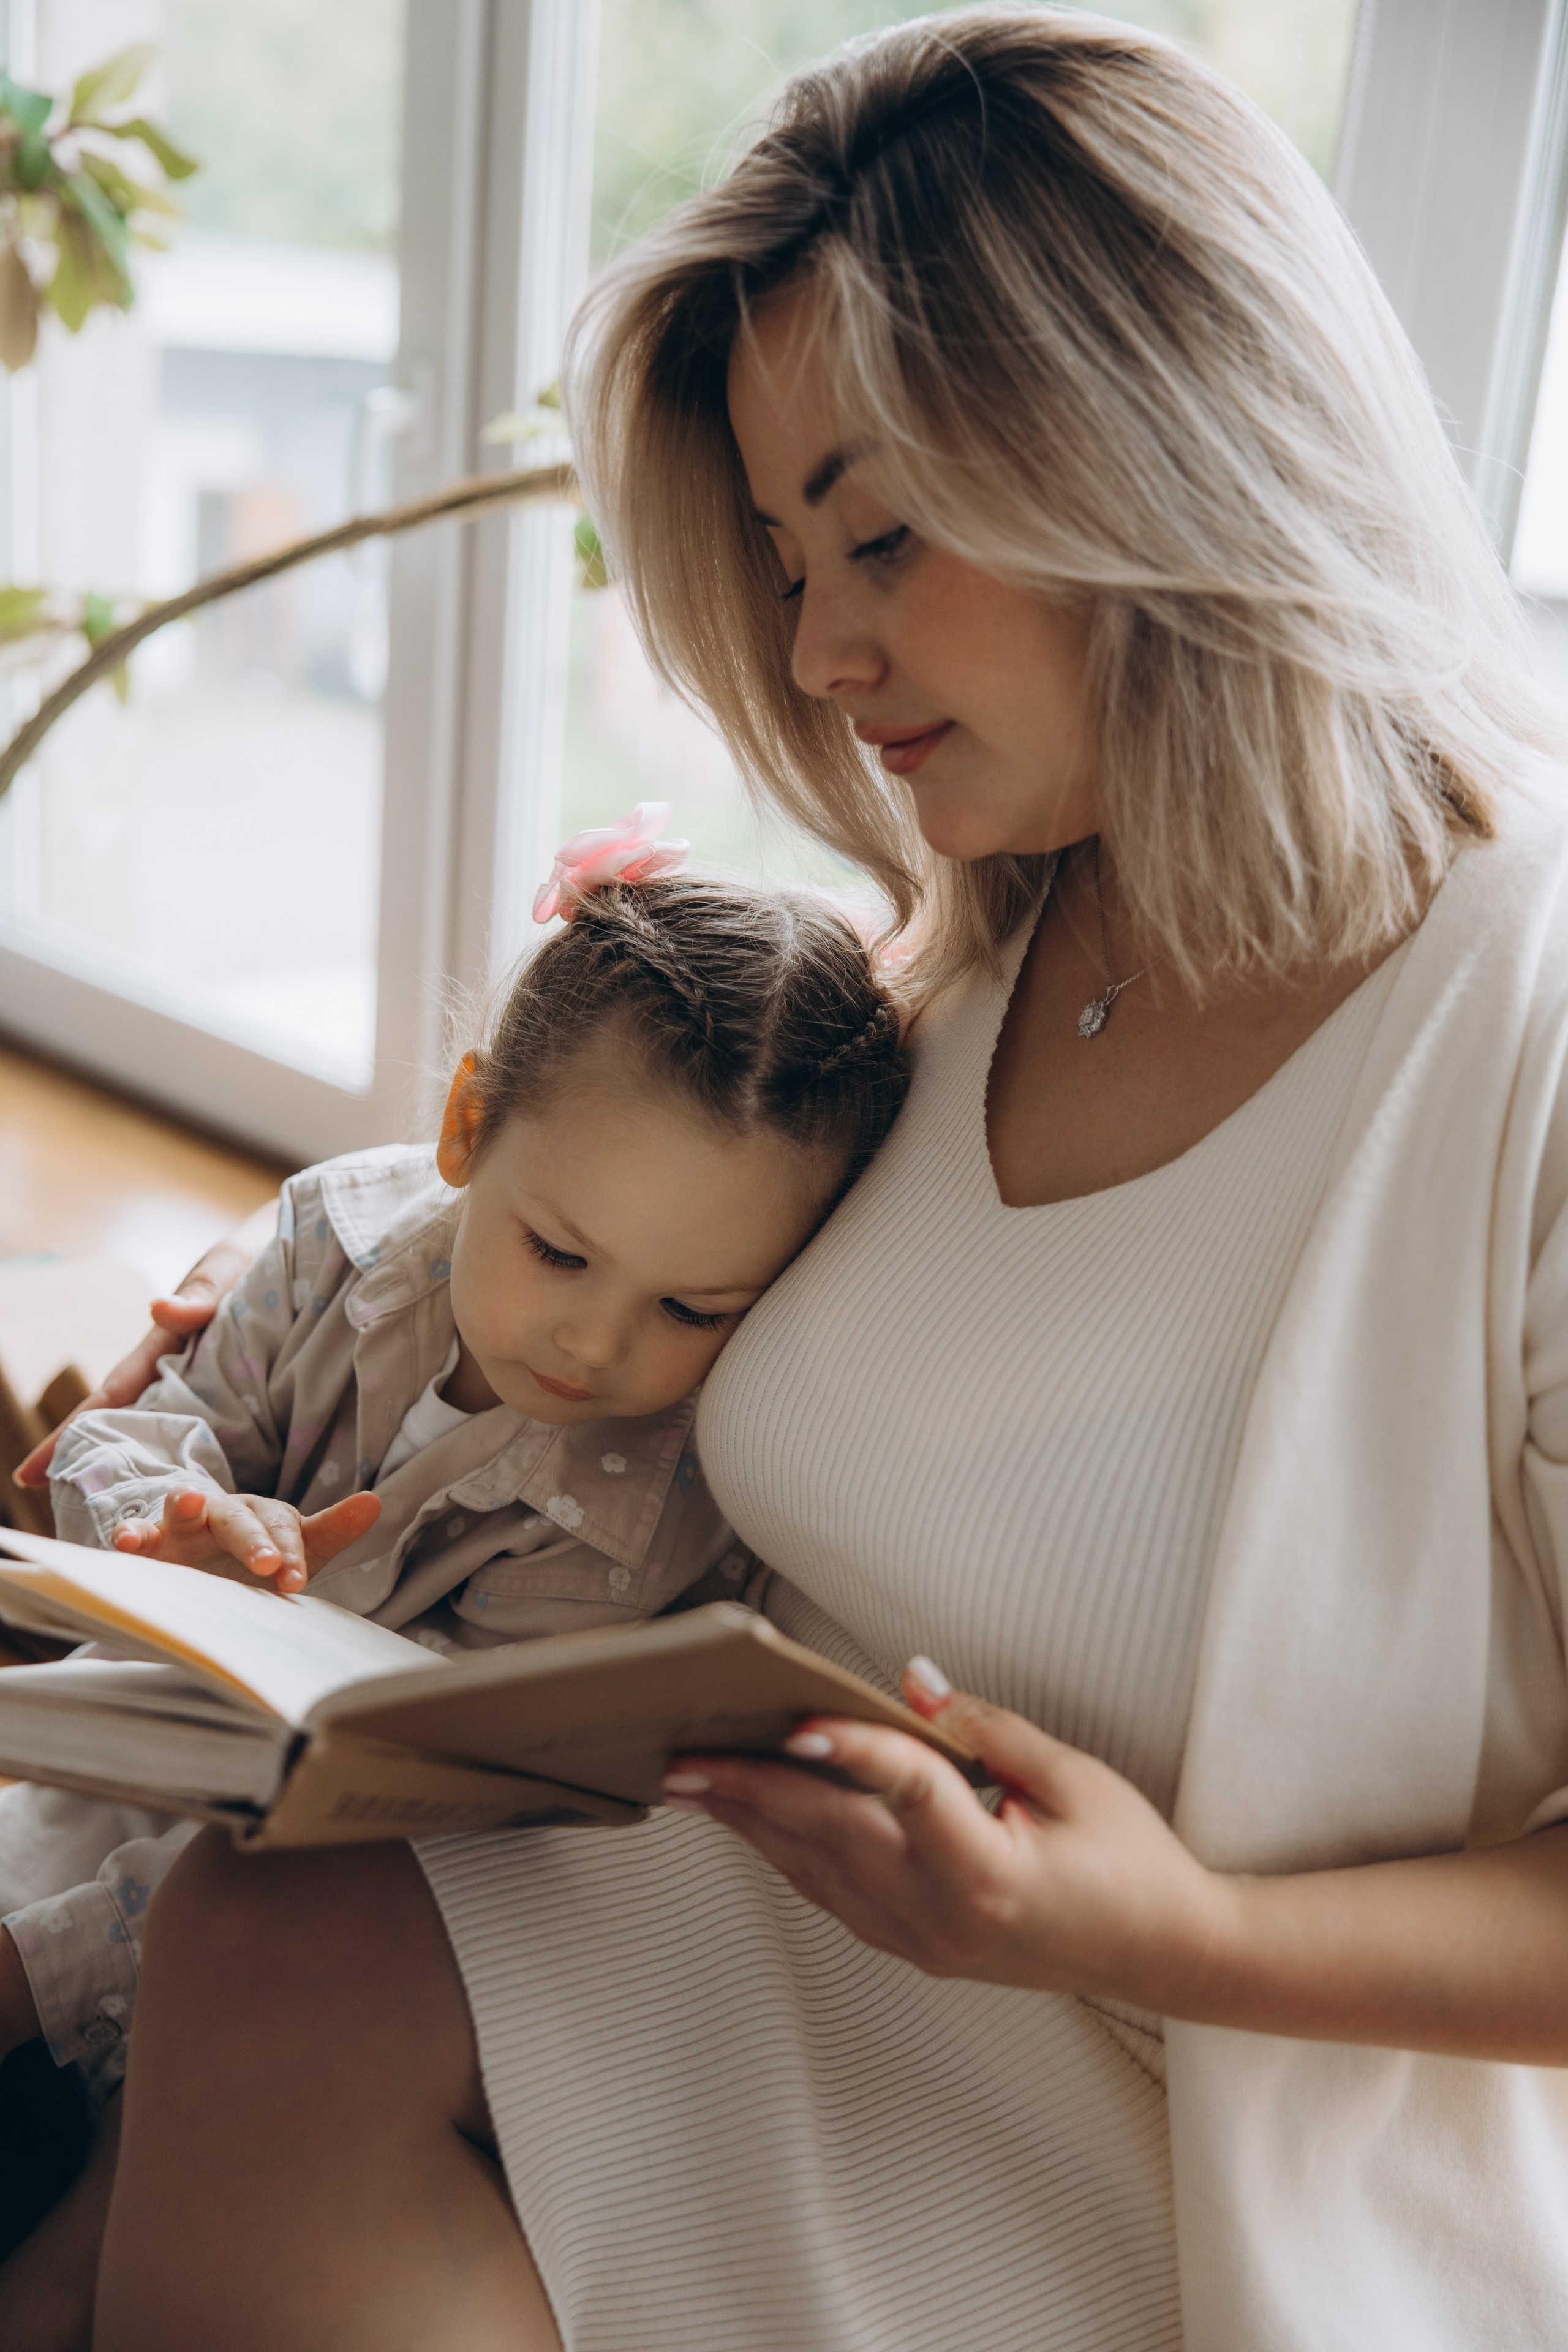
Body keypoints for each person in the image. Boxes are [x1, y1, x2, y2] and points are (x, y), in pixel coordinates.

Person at [13, 8, 1568, 2346]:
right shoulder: (981, 944)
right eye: (779, 554)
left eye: (882, 536)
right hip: (764, 1903)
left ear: (1161, 453)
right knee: (236, 1975)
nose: (823, 650)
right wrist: (214, 1425)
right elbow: (597, 1308)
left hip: (1204, 2088)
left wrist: (1153, 1934)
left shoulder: (1518, 1030)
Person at [0, 859, 906, 2343]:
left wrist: (58, 1967)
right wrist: (162, 1520)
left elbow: (424, 1817)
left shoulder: (659, 1503)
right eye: (561, 1251)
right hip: (136, 1752)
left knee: (112, 2163)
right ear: (466, 1126)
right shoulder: (333, 1239)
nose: (598, 1340)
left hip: (333, 1889)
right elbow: (122, 1435)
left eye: (696, 1307)